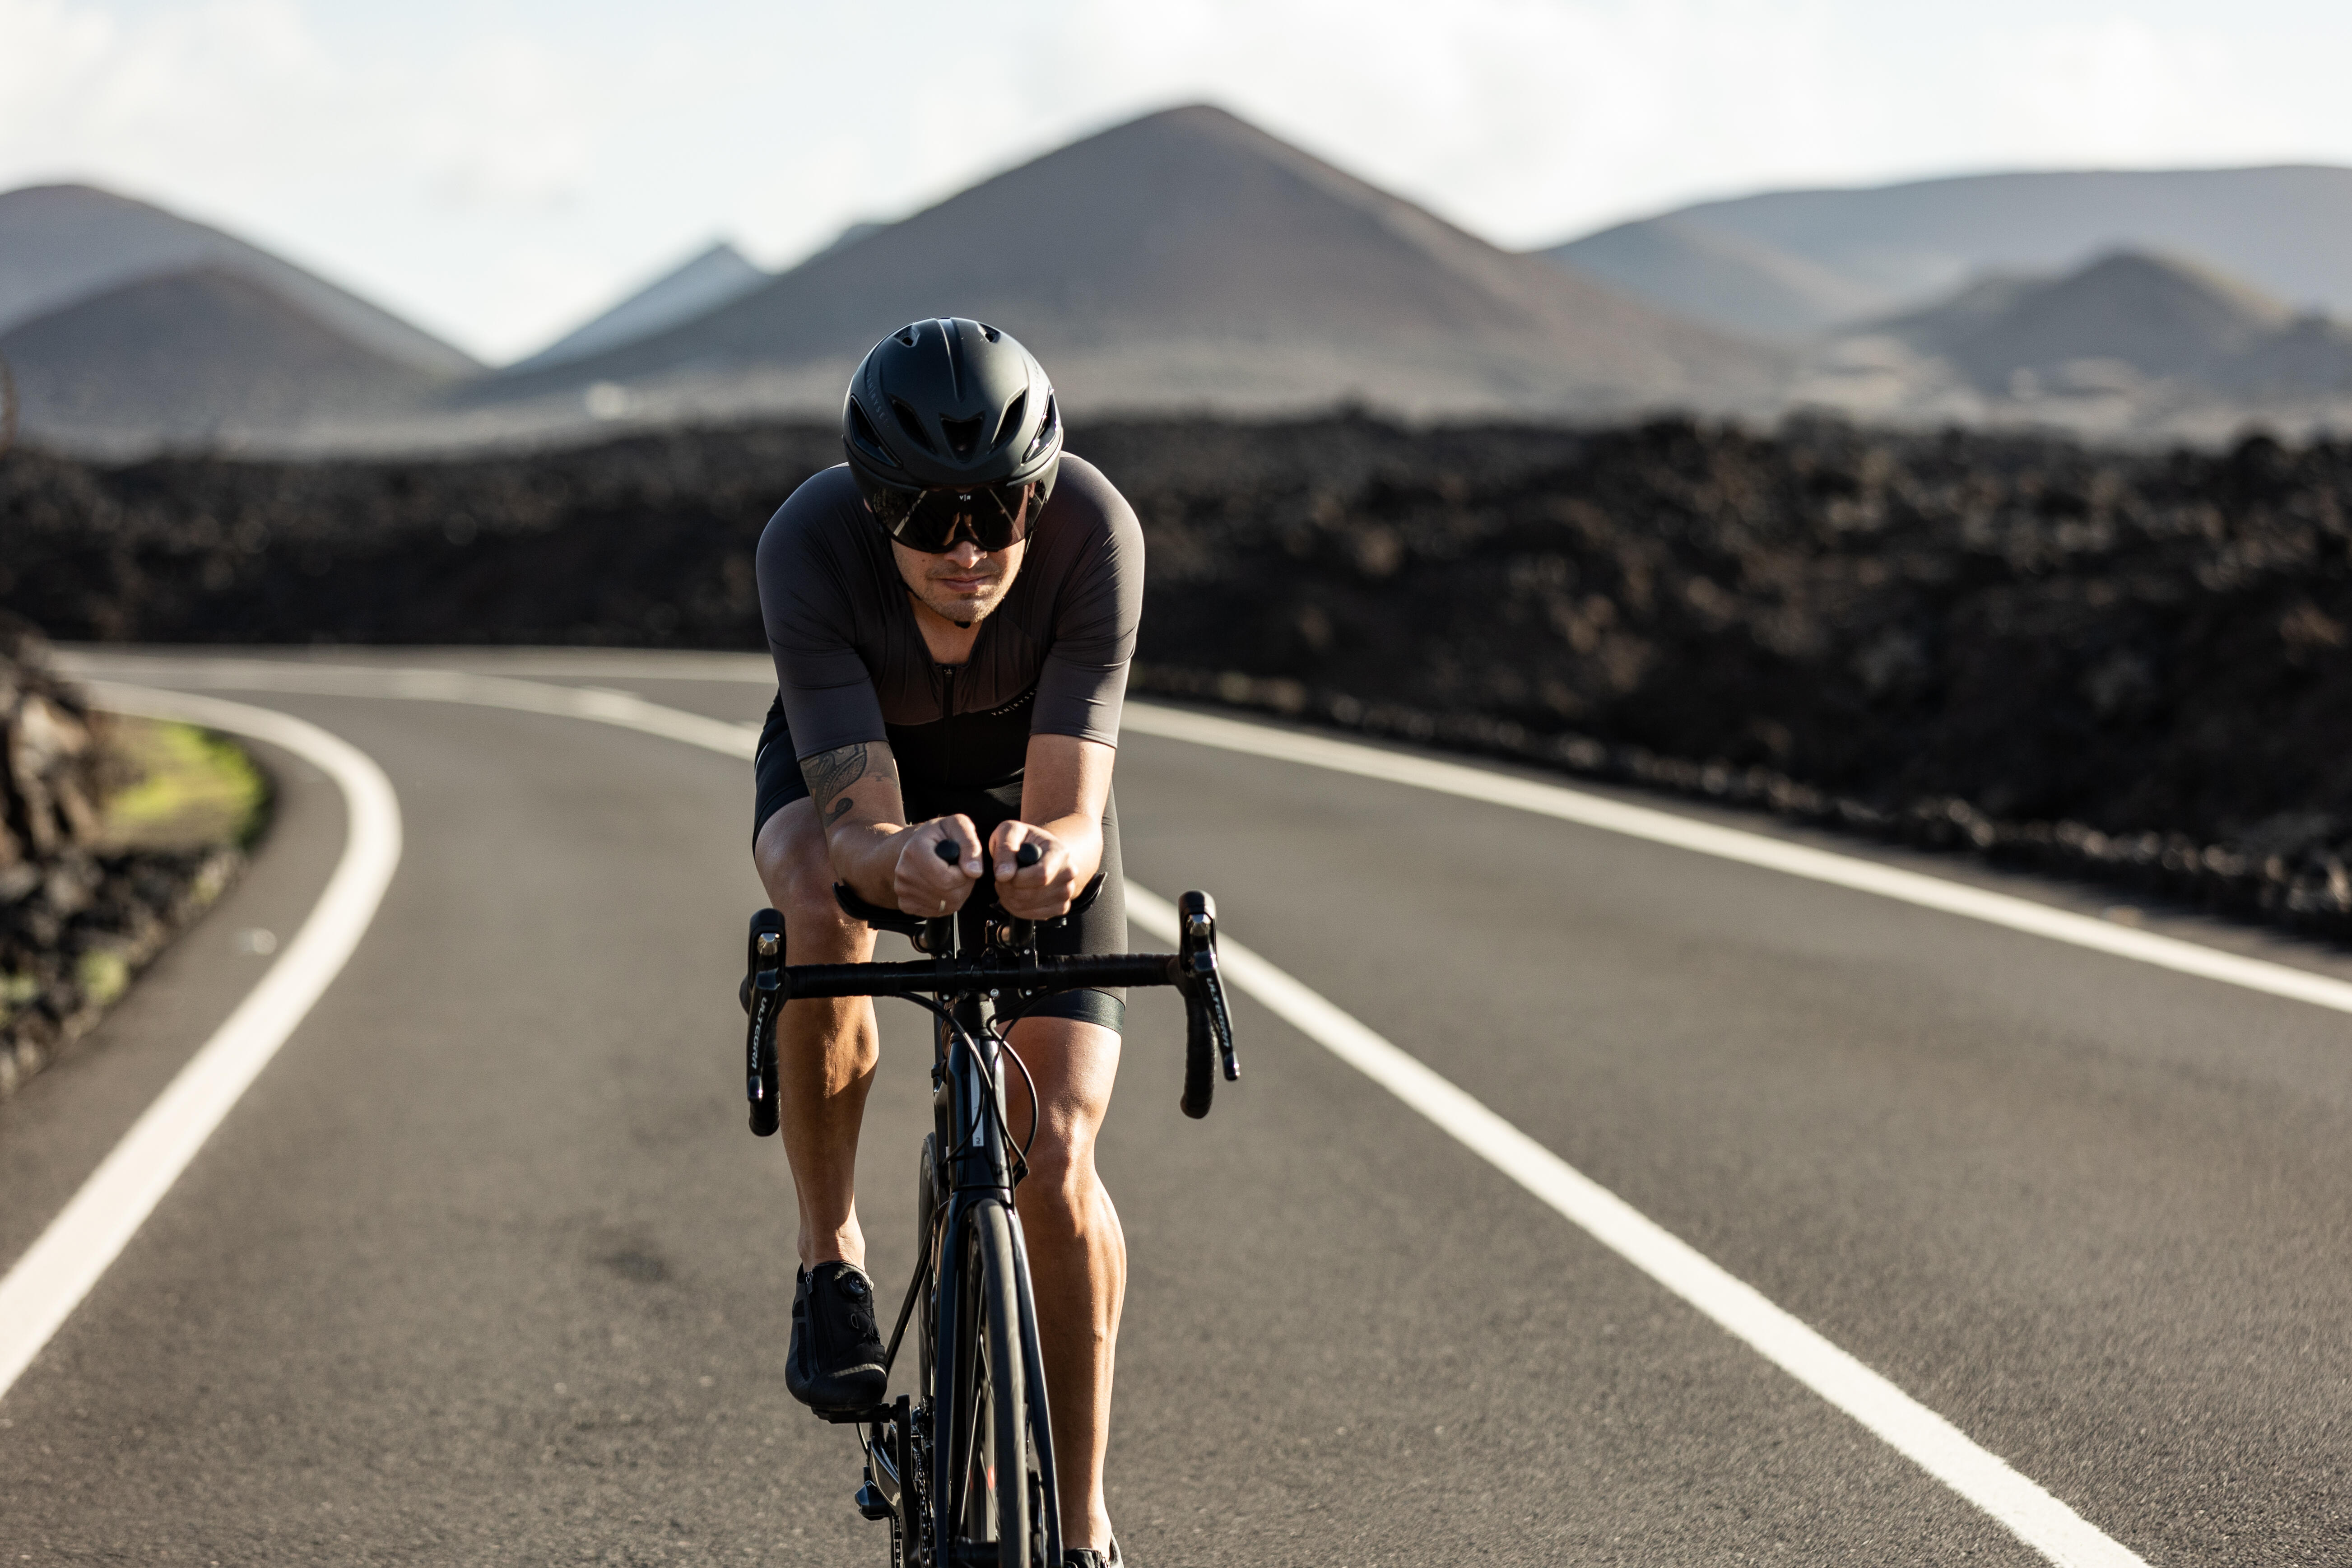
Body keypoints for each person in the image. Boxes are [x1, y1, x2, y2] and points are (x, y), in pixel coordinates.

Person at [751, 317, 1142, 1568]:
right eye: (925, 516)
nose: (968, 547)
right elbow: (861, 827)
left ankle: (1079, 1520)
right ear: (873, 508)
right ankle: (832, 1259)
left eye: (1000, 507)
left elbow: (1074, 809)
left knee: (1056, 1153)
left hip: (1030, 781)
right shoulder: (807, 546)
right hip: (862, 765)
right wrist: (899, 860)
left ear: (1044, 488)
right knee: (817, 894)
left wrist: (1046, 861)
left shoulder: (1096, 532)